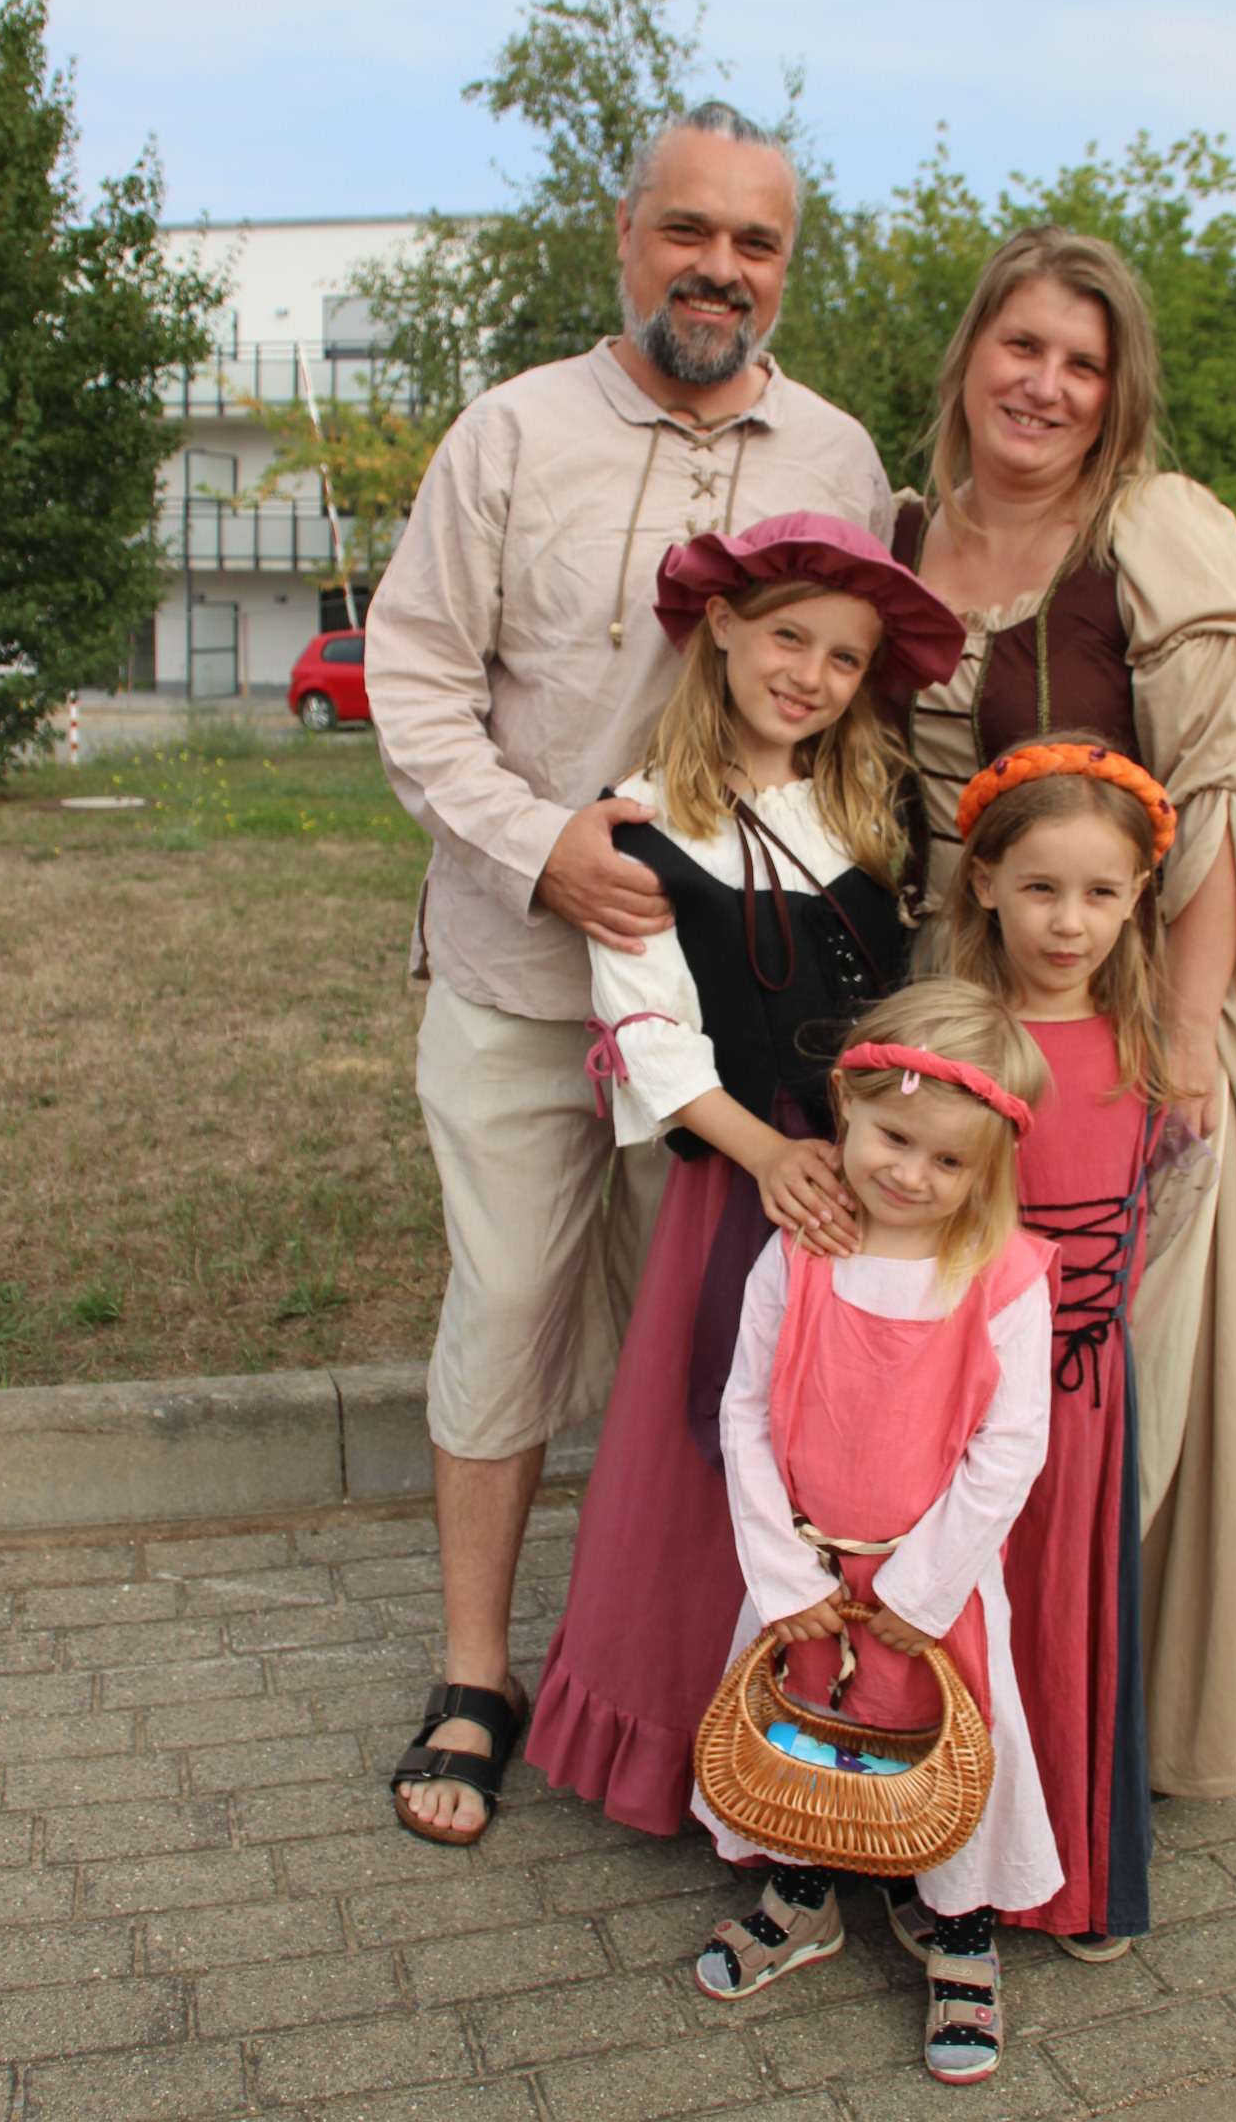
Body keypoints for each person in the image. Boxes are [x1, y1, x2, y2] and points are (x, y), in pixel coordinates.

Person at [367, 102, 895, 1844]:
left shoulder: (836, 454)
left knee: (713, 1350)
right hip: (524, 976)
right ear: (625, 234)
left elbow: (858, 704)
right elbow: (413, 680)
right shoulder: (514, 432)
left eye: (755, 243)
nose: (717, 269)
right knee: (512, 1309)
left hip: (741, 1019)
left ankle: (683, 1677)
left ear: (784, 267)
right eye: (688, 230)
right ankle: (476, 1673)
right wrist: (542, 847)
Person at [887, 228, 1236, 1803]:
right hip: (957, 1022)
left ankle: (1083, 1740)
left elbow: (1222, 807)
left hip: (1124, 1022)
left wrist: (1183, 1046)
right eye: (1022, 346)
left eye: (1083, 361)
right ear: (970, 355)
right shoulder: (903, 535)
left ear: (1118, 391)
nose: (1045, 385)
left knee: (1107, 1380)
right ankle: (938, 1725)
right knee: (955, 1379)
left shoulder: (1150, 535)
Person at [525, 514, 965, 1834]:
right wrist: (769, 1152)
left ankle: (854, 1736)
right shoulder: (644, 825)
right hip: (751, 1179)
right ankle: (692, 1742)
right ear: (720, 628)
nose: (811, 676)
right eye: (789, 637)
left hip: (884, 1178)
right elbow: (647, 1030)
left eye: (845, 658)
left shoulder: (866, 808)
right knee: (729, 1443)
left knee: (863, 1453)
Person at [690, 982, 1061, 2087]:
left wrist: (918, 1593)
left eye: (948, 1161)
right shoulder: (798, 1255)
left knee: (946, 1746)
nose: (911, 1175)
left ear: (986, 1171)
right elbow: (747, 1412)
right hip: (806, 1573)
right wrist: (784, 1573)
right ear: (848, 1109)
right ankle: (803, 1895)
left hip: (929, 1591)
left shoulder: (1001, 1278)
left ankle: (959, 1931)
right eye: (895, 1140)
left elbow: (1009, 1449)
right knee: (802, 1733)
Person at [929, 738, 1193, 1960]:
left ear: (1137, 899)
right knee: (968, 1615)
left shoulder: (1149, 1047)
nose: (1070, 921)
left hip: (1085, 1397)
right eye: (1040, 887)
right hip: (967, 1398)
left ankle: (1073, 1876)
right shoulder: (959, 1043)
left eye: (1100, 892)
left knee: (1066, 1617)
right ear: (984, 882)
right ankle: (943, 1866)